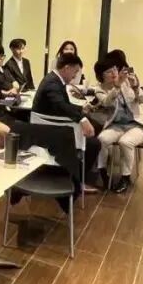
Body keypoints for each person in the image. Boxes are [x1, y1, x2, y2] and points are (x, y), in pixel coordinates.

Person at [34, 52, 102, 193]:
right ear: (66, 68)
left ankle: (83, 171)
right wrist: (82, 119)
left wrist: (80, 110)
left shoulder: (54, 79)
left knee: (96, 125)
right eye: (75, 71)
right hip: (50, 130)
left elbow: (62, 105)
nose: (75, 75)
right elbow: (61, 106)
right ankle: (79, 181)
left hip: (53, 124)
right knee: (94, 143)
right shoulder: (52, 83)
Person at [93, 60, 143, 193]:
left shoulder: (127, 83)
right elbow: (107, 102)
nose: (114, 73)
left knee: (125, 142)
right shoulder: (99, 89)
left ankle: (125, 178)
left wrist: (136, 87)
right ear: (101, 76)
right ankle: (103, 172)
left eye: (115, 69)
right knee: (101, 139)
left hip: (137, 124)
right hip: (117, 125)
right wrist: (117, 87)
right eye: (109, 71)